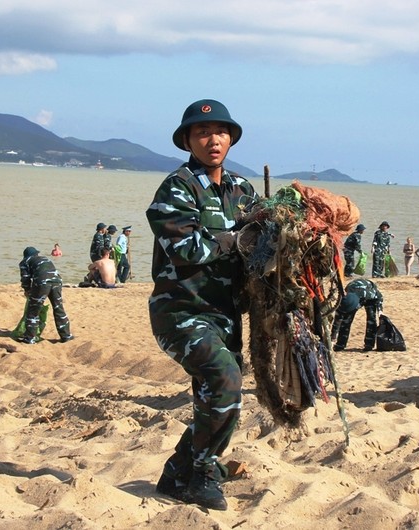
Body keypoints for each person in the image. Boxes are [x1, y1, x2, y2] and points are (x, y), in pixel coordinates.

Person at [146, 99, 258, 511]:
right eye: (202, 133)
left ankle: (177, 473)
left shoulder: (242, 190)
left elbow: (257, 249)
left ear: (231, 138)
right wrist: (235, 238)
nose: (213, 140)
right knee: (225, 381)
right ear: (188, 141)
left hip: (224, 313)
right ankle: (205, 474)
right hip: (180, 311)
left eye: (221, 132)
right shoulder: (177, 187)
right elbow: (184, 246)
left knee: (213, 397)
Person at [17, 247, 73, 344]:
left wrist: (27, 289)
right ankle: (66, 336)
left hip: (42, 282)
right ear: (36, 254)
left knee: (33, 310)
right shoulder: (45, 259)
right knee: (58, 308)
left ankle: (30, 338)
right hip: (57, 281)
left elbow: (25, 277)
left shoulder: (25, 261)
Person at [331, 278, 384, 352]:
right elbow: (337, 320)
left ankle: (369, 344)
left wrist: (380, 311)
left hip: (370, 297)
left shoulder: (369, 293)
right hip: (354, 296)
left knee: (371, 319)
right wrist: (333, 337)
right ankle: (340, 345)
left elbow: (379, 297)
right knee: (346, 320)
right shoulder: (344, 299)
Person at [89, 222, 110, 287]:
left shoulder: (101, 235)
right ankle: (95, 280)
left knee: (97, 268)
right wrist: (101, 256)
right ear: (101, 229)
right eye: (104, 228)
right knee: (98, 268)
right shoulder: (98, 235)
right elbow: (99, 247)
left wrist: (106, 235)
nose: (105, 229)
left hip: (98, 254)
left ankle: (88, 278)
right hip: (96, 254)